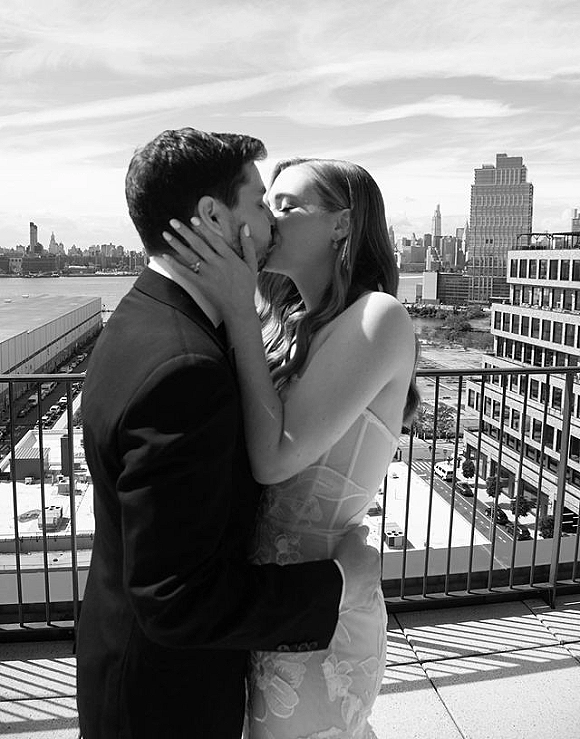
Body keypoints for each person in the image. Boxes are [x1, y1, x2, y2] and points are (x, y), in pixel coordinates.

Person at [75, 129, 380, 739]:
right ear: (215, 216)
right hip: (168, 703)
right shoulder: (185, 364)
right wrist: (338, 583)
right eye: (261, 202)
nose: (270, 221)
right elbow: (175, 598)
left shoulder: (144, 317)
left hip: (129, 668)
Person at [163, 155, 418, 738]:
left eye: (288, 205)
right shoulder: (289, 322)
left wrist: (237, 304)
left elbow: (274, 457)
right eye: (266, 204)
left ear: (341, 224)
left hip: (323, 603)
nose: (270, 219)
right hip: (268, 601)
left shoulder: (378, 317)